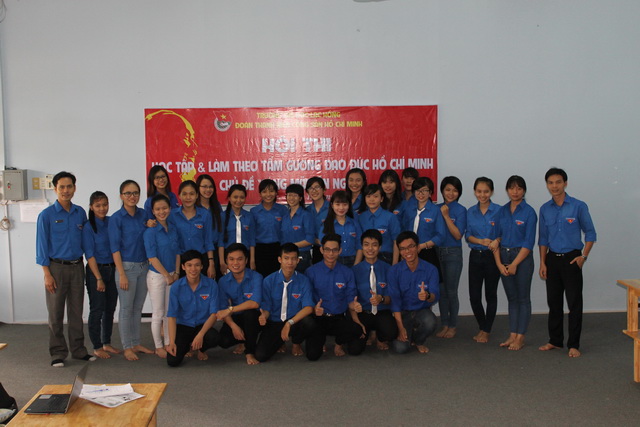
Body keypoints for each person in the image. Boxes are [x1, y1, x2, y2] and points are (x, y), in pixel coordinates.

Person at [36, 171, 95, 367]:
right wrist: (47, 274)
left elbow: (86, 241)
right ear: (55, 189)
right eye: (62, 187)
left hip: (77, 267)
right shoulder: (46, 215)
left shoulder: (80, 213)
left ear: (74, 188)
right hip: (56, 269)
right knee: (55, 313)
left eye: (69, 186)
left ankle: (78, 350)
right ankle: (58, 353)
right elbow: (41, 246)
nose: (66, 190)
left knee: (76, 312)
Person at [538, 168, 596, 358]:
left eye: (558, 182)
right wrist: (542, 262)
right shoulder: (545, 209)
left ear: (565, 183)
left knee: (574, 303)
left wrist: (583, 257)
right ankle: (555, 340)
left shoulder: (578, 206)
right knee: (554, 302)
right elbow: (543, 238)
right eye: (550, 183)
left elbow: (591, 233)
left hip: (572, 259)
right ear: (547, 185)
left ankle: (574, 344)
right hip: (552, 260)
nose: (554, 186)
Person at [109, 179, 154, 361]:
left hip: (144, 267)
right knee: (126, 309)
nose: (132, 196)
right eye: (128, 193)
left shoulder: (143, 214)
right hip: (126, 268)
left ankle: (136, 343)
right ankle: (127, 346)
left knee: (137, 308)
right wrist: (121, 274)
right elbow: (115, 249)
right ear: (121, 196)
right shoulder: (116, 219)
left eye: (135, 193)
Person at [493, 175, 537, 351]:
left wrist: (515, 264)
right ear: (507, 190)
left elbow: (529, 243)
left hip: (522, 258)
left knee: (523, 298)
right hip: (504, 256)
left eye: (519, 188)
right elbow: (496, 239)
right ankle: (512, 335)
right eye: (512, 188)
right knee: (512, 298)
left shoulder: (529, 212)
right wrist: (499, 263)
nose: (515, 192)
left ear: (524, 190)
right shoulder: (501, 211)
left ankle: (521, 337)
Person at [305, 234, 364, 359]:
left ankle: (338, 343)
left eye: (334, 250)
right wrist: (314, 309)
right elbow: (307, 299)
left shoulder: (347, 272)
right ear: (321, 250)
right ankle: (320, 341)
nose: (331, 254)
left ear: (340, 251)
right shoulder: (311, 272)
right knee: (312, 356)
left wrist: (355, 306)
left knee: (357, 329)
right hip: (319, 318)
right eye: (327, 249)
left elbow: (351, 299)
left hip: (338, 318)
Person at [255, 243, 317, 362]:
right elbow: (266, 307)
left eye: (293, 259)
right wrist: (264, 316)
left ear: (298, 261)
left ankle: (296, 342)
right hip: (274, 322)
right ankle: (280, 342)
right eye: (286, 258)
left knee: (309, 322)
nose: (290, 262)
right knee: (261, 356)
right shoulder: (268, 281)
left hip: (294, 321)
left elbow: (309, 307)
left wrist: (289, 323)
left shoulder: (304, 280)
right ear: (280, 260)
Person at [388, 231, 440, 354]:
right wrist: (401, 328)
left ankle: (418, 341)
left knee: (430, 321)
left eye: (411, 247)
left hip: (421, 311)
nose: (407, 251)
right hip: (402, 313)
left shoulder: (431, 269)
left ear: (417, 247)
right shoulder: (394, 271)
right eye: (403, 249)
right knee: (400, 348)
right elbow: (395, 302)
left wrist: (427, 296)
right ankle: (406, 334)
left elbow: (435, 296)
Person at [82, 191, 120, 359]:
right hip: (96, 271)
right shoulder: (88, 227)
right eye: (98, 205)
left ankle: (106, 342)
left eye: (105, 204)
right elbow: (89, 255)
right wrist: (98, 278)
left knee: (110, 309)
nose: (102, 208)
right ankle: (97, 346)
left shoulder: (111, 222)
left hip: (113, 269)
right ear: (91, 207)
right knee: (97, 309)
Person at [166, 250, 221, 367]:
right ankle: (190, 346)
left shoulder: (212, 285)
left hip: (202, 325)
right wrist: (171, 342)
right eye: (189, 265)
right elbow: (172, 316)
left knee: (214, 338)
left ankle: (201, 349)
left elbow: (214, 314)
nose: (193, 269)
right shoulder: (176, 287)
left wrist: (201, 334)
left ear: (202, 266)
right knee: (172, 361)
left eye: (197, 265)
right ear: (183, 267)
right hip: (183, 326)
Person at [349, 229, 397, 354]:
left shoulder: (388, 269)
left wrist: (381, 298)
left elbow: (391, 298)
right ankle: (369, 332)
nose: (370, 249)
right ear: (361, 247)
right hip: (363, 312)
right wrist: (356, 315)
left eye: (374, 245)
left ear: (380, 247)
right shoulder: (354, 271)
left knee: (391, 333)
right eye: (366, 244)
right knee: (354, 350)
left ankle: (380, 337)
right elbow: (350, 300)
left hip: (382, 311)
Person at [143, 194, 180, 358]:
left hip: (173, 275)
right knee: (158, 313)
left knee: (168, 312)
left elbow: (178, 252)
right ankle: (158, 346)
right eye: (158, 209)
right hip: (157, 276)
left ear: (170, 208)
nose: (161, 211)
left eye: (164, 208)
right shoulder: (150, 232)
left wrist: (176, 272)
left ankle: (168, 343)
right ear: (153, 211)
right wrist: (166, 275)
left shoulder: (173, 228)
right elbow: (152, 257)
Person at [465, 177, 501, 343]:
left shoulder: (500, 211)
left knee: (490, 294)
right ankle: (483, 326)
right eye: (479, 191)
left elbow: (504, 233)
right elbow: (468, 235)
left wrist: (496, 240)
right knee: (474, 296)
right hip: (475, 255)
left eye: (486, 191)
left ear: (491, 192)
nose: (482, 195)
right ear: (474, 192)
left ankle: (486, 330)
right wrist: (480, 241)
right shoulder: (470, 211)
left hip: (493, 256)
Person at [216, 243, 263, 365]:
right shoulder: (223, 281)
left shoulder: (256, 277)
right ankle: (243, 339)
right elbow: (222, 309)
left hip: (257, 317)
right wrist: (233, 326)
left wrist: (230, 309)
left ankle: (249, 351)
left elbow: (255, 303)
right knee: (224, 341)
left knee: (250, 314)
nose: (235, 263)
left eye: (239, 259)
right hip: (237, 316)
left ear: (246, 260)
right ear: (226, 261)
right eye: (231, 259)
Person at [436, 176, 467, 339]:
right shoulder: (435, 208)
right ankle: (445, 324)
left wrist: (447, 216)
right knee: (441, 291)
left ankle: (453, 326)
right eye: (447, 189)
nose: (451, 193)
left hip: (453, 253)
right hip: (437, 252)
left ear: (459, 193)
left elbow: (457, 235)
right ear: (442, 191)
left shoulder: (461, 210)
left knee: (451, 291)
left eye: (455, 190)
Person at [400, 177, 444, 279]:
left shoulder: (435, 210)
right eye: (418, 191)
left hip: (427, 252)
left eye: (424, 190)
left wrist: (422, 246)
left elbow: (441, 235)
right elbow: (404, 230)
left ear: (430, 193)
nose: (421, 194)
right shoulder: (409, 209)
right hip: (409, 252)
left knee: (427, 282)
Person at [171, 180, 215, 278]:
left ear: (197, 195)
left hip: (201, 260)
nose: (188, 197)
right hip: (180, 261)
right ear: (179, 196)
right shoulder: (172, 215)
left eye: (191, 194)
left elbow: (208, 240)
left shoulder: (205, 214)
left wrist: (211, 263)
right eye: (184, 194)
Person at [251, 179, 288, 277]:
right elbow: (251, 236)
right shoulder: (254, 211)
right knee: (261, 278)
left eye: (271, 191)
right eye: (264, 191)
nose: (268, 194)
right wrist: (252, 259)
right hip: (260, 250)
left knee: (277, 278)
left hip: (278, 249)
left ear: (276, 193)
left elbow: (285, 232)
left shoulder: (282, 210)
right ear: (260, 194)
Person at [358, 184, 401, 265]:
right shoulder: (361, 218)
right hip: (366, 257)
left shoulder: (390, 217)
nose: (371, 199)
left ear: (381, 199)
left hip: (386, 257)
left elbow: (396, 241)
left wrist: (394, 264)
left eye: (375, 196)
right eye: (368, 196)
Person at [318, 190, 363, 267]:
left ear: (349, 205)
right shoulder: (326, 225)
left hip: (353, 261)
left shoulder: (354, 224)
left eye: (345, 204)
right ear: (332, 205)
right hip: (333, 262)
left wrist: (356, 265)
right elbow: (323, 247)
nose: (341, 208)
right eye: (337, 204)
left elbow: (360, 246)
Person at [218, 184, 256, 273]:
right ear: (229, 198)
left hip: (245, 256)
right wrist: (222, 262)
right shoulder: (222, 216)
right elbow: (220, 242)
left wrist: (252, 260)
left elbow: (252, 240)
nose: (238, 200)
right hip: (229, 257)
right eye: (235, 197)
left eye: (242, 197)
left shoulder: (249, 216)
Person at [281, 184, 314, 272]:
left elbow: (310, 239)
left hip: (302, 256)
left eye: (295, 195)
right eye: (289, 195)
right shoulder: (285, 216)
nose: (291, 198)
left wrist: (291, 246)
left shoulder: (306, 215)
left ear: (300, 198)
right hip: (286, 256)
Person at [196, 174, 223, 278]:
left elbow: (220, 231)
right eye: (204, 186)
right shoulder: (194, 208)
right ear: (198, 188)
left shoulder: (217, 206)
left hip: (216, 251)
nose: (208, 190)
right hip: (200, 251)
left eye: (210, 187)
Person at [305, 177, 330, 264]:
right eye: (311, 188)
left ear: (324, 190)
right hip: (316, 249)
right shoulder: (307, 211)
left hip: (332, 248)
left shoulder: (332, 208)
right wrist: (315, 240)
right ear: (307, 192)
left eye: (317, 187)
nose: (314, 191)